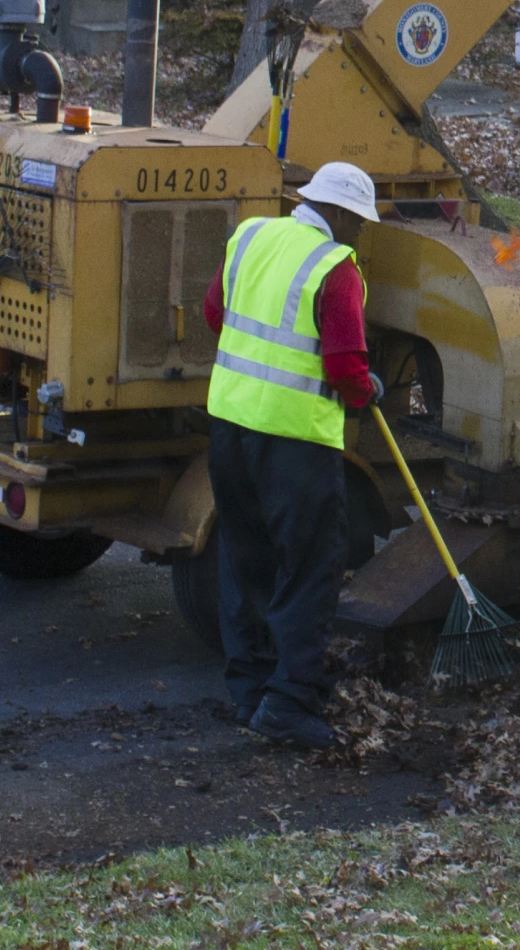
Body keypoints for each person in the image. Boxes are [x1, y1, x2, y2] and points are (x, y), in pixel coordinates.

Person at [201, 160, 385, 752]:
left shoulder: (250, 235)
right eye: (357, 221)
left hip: (229, 426)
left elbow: (214, 313)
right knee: (310, 569)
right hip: (296, 443)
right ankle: (289, 701)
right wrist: (367, 390)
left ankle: (251, 692)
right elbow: (343, 365)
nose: (359, 233)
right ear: (337, 213)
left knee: (245, 560)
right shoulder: (337, 268)